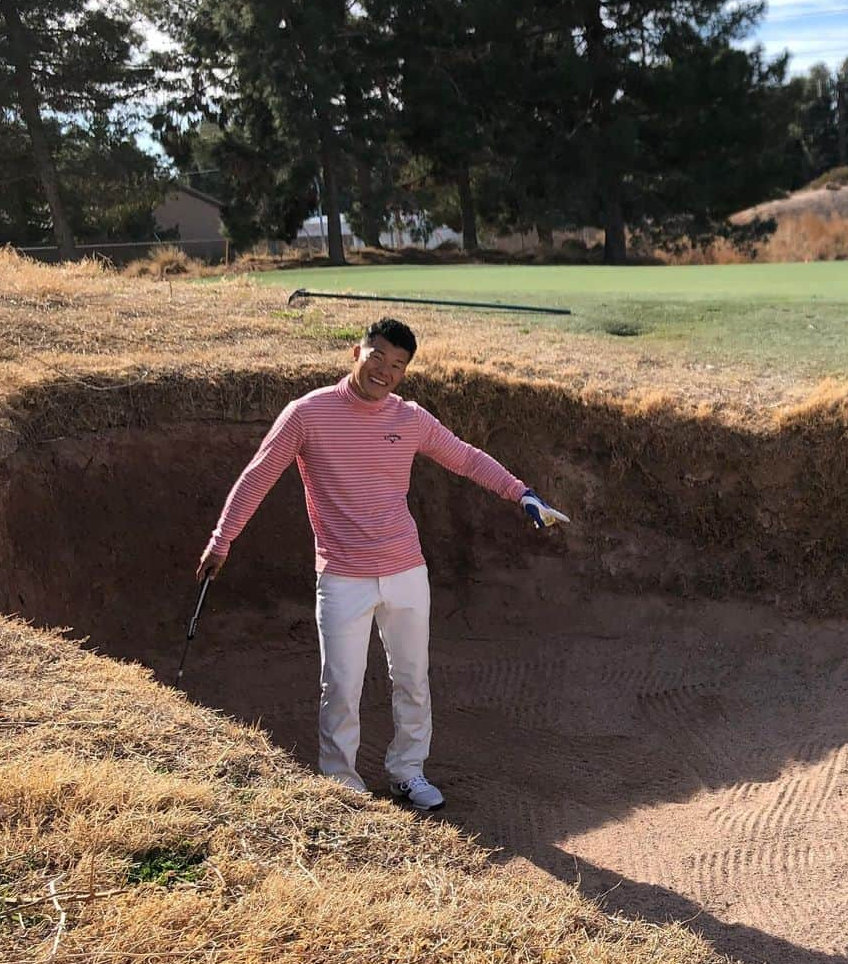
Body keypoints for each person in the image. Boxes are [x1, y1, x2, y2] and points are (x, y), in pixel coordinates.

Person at [196, 318, 569, 810]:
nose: (385, 371)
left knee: (413, 678)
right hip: (342, 575)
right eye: (378, 357)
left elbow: (465, 458)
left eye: (398, 365)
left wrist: (520, 492)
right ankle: (341, 781)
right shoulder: (306, 415)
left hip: (406, 571)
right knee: (342, 684)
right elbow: (258, 475)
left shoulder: (409, 418)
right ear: (357, 353)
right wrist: (223, 540)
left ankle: (408, 770)